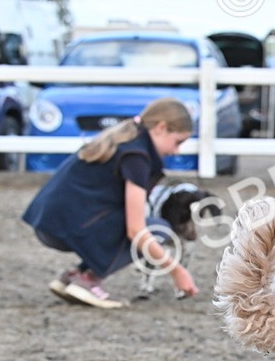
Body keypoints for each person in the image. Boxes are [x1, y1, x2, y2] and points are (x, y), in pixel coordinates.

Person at [22, 97, 200, 309]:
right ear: (161, 128)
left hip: (48, 221)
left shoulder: (124, 141)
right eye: (177, 142)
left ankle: (73, 277)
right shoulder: (137, 156)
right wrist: (177, 270)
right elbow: (136, 230)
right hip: (66, 226)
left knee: (134, 223)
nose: (176, 151)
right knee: (158, 229)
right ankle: (88, 280)